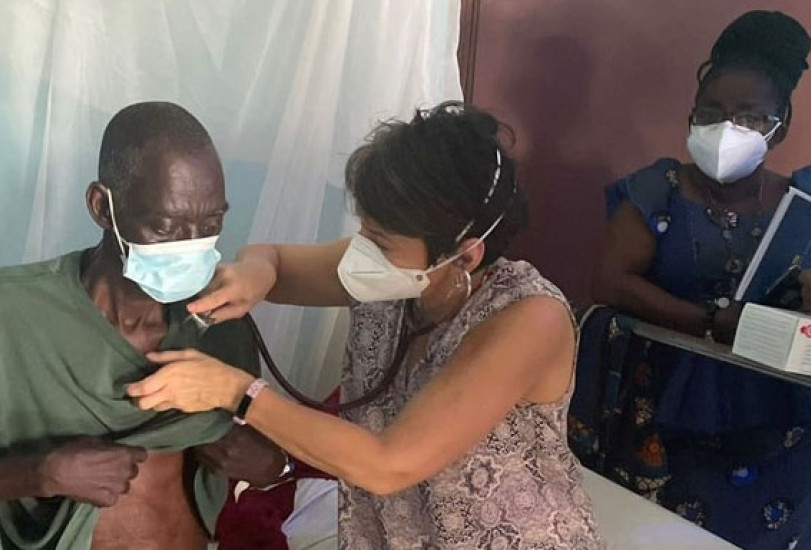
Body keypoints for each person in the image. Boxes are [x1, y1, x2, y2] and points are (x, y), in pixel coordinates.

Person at [127, 101, 606, 549]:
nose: (362, 251)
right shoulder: (396, 273)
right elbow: (275, 261)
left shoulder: (529, 319)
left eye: (379, 239)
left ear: (464, 255)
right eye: (365, 230)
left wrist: (236, 392)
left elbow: (387, 463)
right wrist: (256, 272)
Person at [572, 11, 811, 550]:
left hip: (783, 432)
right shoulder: (659, 190)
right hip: (670, 422)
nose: (726, 129)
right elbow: (610, 282)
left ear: (780, 125)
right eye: (711, 113)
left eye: (749, 117)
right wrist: (712, 323)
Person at [0, 102, 292, 549]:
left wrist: (272, 465)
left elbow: (254, 453)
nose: (191, 245)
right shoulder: (16, 314)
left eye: (211, 223)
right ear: (102, 207)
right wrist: (40, 473)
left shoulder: (221, 322)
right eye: (165, 226)